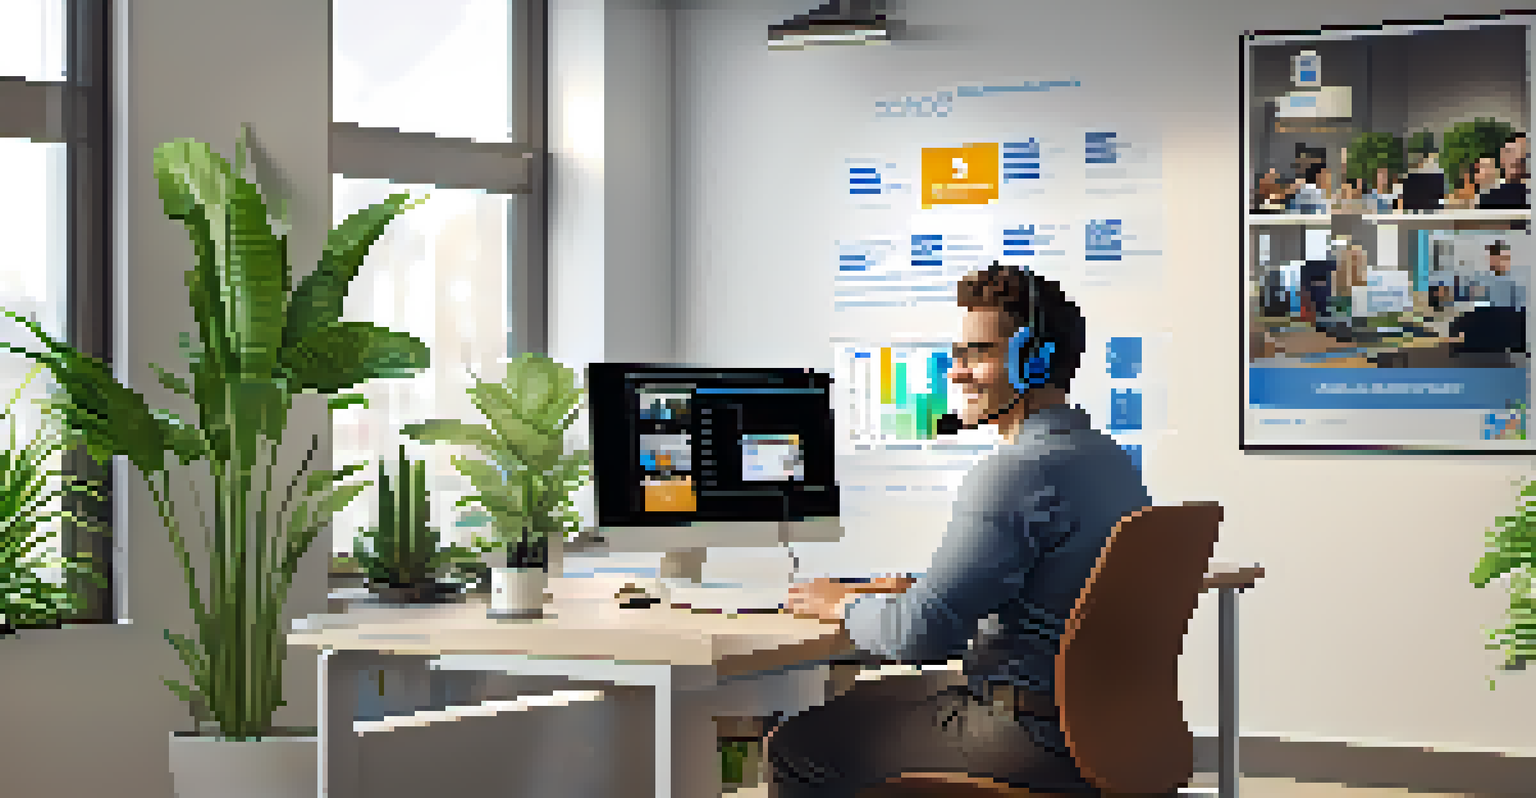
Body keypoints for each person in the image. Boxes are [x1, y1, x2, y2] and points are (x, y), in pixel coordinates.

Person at [767, 262, 1152, 797]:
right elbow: (1040, 575)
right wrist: (918, 590)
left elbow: (920, 636)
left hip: (1031, 733)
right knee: (865, 704)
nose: (957, 372)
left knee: (799, 744)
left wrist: (842, 604)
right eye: (958, 354)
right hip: (1104, 723)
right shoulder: (1105, 458)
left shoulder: (1019, 469)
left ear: (1034, 361)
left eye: (979, 353)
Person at [1481, 132, 1530, 209]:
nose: (1517, 157)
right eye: (1510, 151)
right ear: (1502, 157)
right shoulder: (1489, 198)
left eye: (1523, 152)